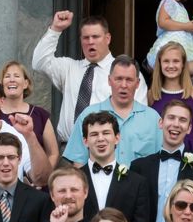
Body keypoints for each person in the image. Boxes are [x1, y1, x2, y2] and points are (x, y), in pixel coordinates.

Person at [33, 11, 143, 150]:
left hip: (109, 150)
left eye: (95, 37)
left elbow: (138, 115)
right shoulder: (69, 68)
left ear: (107, 38)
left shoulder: (126, 72)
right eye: (86, 37)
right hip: (68, 149)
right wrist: (56, 29)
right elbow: (39, 63)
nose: (90, 41)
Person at [72, 111, 157, 222]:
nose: (100, 139)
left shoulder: (137, 183)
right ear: (85, 141)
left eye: (106, 133)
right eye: (94, 134)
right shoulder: (73, 179)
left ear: (117, 138)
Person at [145, 39, 193, 151]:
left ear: (183, 64)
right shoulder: (152, 95)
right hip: (157, 157)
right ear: (160, 64)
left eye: (176, 61)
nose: (171, 65)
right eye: (166, 61)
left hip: (189, 160)